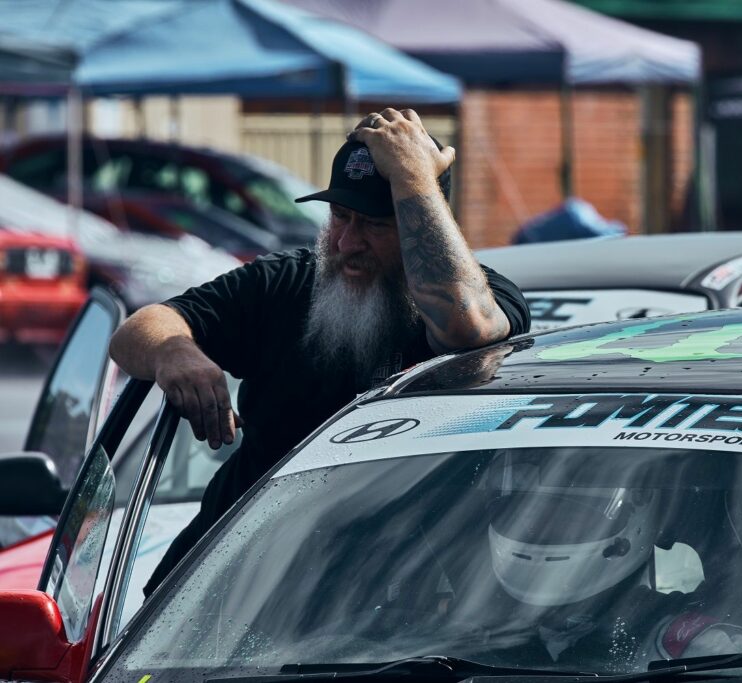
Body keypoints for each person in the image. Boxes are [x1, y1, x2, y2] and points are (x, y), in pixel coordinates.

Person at [108, 108, 531, 596]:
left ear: (422, 221)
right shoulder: (286, 283)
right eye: (340, 216)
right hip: (239, 581)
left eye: (373, 223)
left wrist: (413, 174)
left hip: (399, 595)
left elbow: (465, 327)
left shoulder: (490, 297)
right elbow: (137, 330)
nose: (347, 242)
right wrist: (175, 350)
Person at [480, 450, 742, 669]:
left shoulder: (692, 651)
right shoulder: (462, 645)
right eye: (525, 517)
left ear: (637, 519)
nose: (538, 529)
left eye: (567, 517)